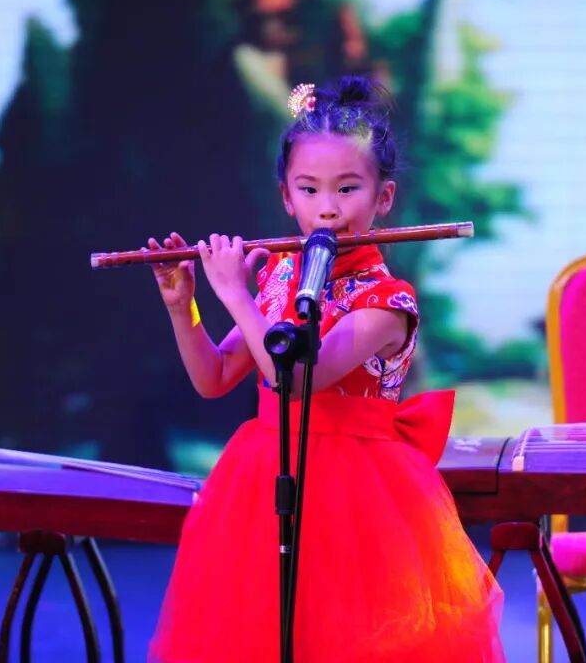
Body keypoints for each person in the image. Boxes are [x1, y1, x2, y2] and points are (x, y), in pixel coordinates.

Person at [146, 76, 505, 662]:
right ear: (286, 197)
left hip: (359, 499)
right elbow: (214, 378)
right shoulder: (279, 275)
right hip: (265, 481)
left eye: (348, 188)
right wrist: (181, 304)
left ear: (383, 197)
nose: (328, 208)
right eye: (309, 189)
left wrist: (234, 294)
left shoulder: (388, 301)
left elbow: (293, 381)